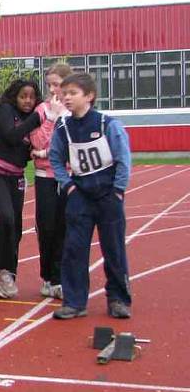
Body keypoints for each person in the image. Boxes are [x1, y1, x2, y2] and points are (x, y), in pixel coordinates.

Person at [49, 72, 132, 319]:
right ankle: (75, 301)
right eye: (64, 94)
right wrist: (68, 186)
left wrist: (118, 190)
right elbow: (55, 157)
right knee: (74, 249)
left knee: (114, 249)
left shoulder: (108, 124)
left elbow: (123, 159)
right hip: (80, 196)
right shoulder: (64, 128)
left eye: (72, 93)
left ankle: (118, 299)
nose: (66, 98)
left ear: (89, 96)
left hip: (108, 195)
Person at [0, 78, 49, 299]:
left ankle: (9, 274)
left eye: (32, 97)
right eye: (23, 96)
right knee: (6, 217)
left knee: (16, 227)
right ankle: (1, 270)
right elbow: (11, 136)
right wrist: (37, 118)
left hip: (16, 177)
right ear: (15, 96)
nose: (28, 101)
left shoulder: (34, 121)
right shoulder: (6, 110)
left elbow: (32, 147)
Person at [29, 63, 71, 299]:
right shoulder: (42, 110)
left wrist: (47, 153)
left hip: (67, 176)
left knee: (65, 228)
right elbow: (36, 141)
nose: (53, 90)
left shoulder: (73, 109)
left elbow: (70, 145)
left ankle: (61, 278)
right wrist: (51, 119)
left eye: (58, 84)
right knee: (46, 228)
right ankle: (48, 278)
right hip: (45, 177)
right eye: (50, 85)